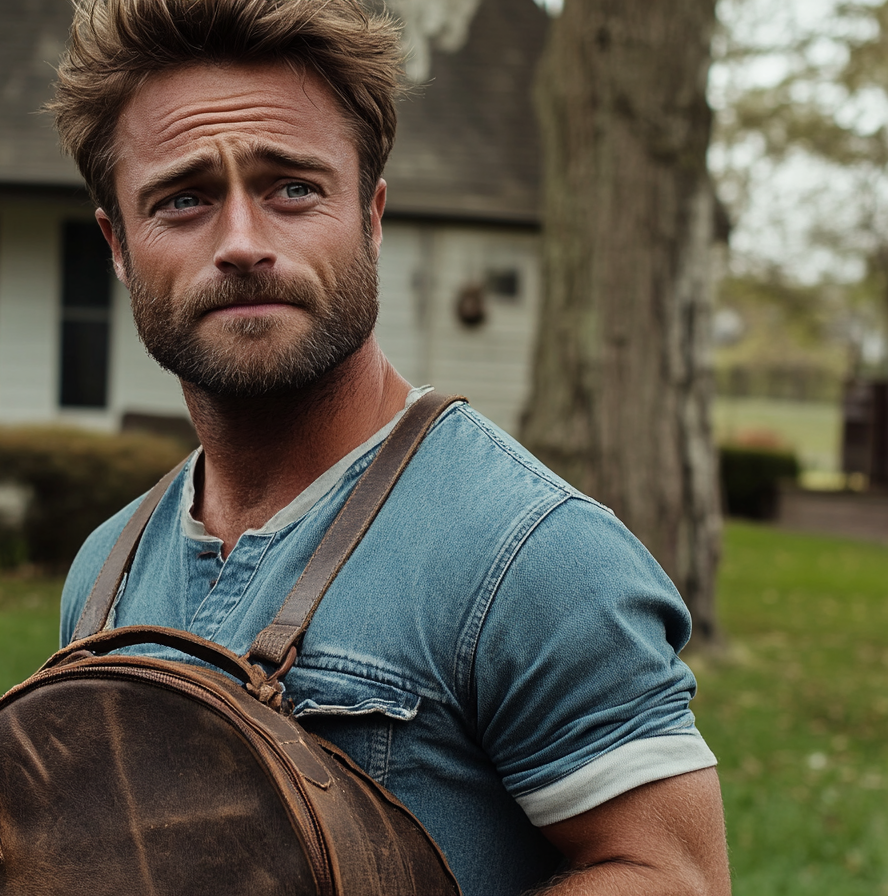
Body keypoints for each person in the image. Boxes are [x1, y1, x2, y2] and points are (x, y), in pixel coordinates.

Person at [48, 0, 730, 893]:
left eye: (292, 188)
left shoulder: (532, 554)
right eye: (184, 200)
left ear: (371, 216)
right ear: (119, 246)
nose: (244, 243)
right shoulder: (104, 576)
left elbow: (671, 874)